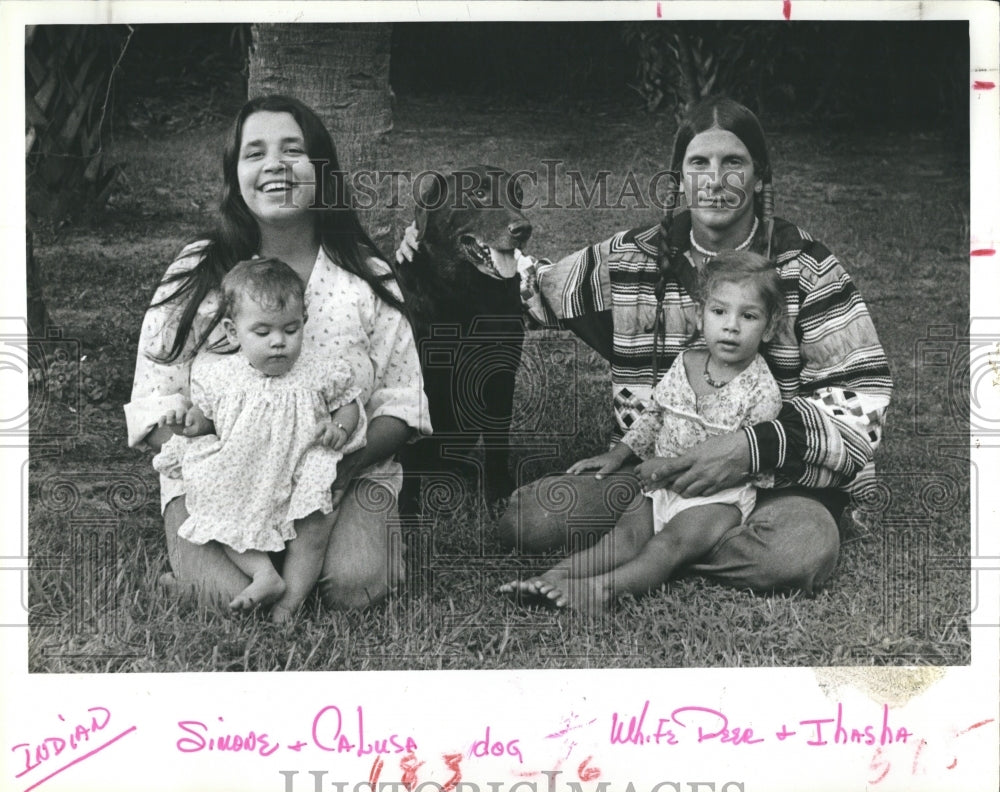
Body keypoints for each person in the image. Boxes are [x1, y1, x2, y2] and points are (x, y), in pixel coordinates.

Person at [399, 94, 891, 597]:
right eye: (699, 163)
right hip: (657, 475)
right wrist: (425, 246)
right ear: (679, 178)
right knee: (528, 519)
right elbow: (531, 287)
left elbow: (864, 404)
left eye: (734, 164)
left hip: (768, 486)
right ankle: (674, 546)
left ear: (760, 176)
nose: (715, 181)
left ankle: (645, 554)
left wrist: (749, 449)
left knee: (799, 549)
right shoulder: (635, 257)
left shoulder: (808, 267)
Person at [125, 95, 431, 612]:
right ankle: (208, 575)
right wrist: (221, 459)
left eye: (294, 150)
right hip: (224, 478)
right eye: (255, 153)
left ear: (321, 170)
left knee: (353, 587)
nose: (275, 165)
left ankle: (356, 554)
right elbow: (155, 396)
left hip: (335, 477)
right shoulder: (197, 271)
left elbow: (401, 403)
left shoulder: (365, 277)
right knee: (227, 597)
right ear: (235, 173)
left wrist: (344, 470)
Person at [500, 251, 783, 613]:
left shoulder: (761, 389)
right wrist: (618, 454)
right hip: (659, 487)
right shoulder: (686, 363)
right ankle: (554, 579)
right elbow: (654, 415)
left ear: (769, 327)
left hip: (716, 500)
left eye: (748, 316)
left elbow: (749, 464)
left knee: (666, 545)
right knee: (621, 539)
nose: (731, 326)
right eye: (719, 312)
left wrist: (667, 467)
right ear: (700, 315)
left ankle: (601, 592)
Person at [153, 258, 366, 623]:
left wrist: (339, 430)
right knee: (217, 502)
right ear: (233, 332)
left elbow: (348, 406)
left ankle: (289, 604)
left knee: (314, 527)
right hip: (245, 468)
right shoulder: (220, 375)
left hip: (301, 467)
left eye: (290, 329)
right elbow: (208, 419)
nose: (279, 342)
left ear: (304, 324)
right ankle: (264, 574)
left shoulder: (320, 368)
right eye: (263, 332)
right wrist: (189, 424)